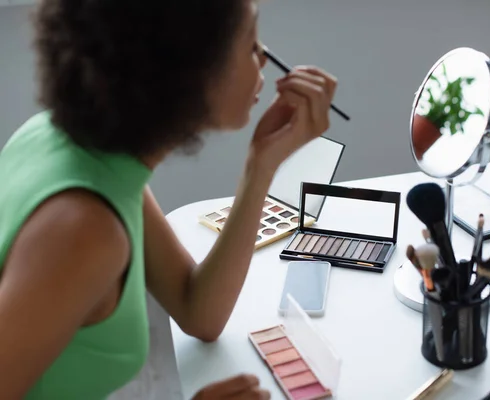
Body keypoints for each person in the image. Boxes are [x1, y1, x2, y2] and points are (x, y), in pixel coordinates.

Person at [0, 0, 337, 398]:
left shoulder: (69, 144)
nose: (264, 59)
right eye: (250, 44)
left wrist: (260, 167)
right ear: (187, 71)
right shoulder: (87, 230)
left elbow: (199, 312)